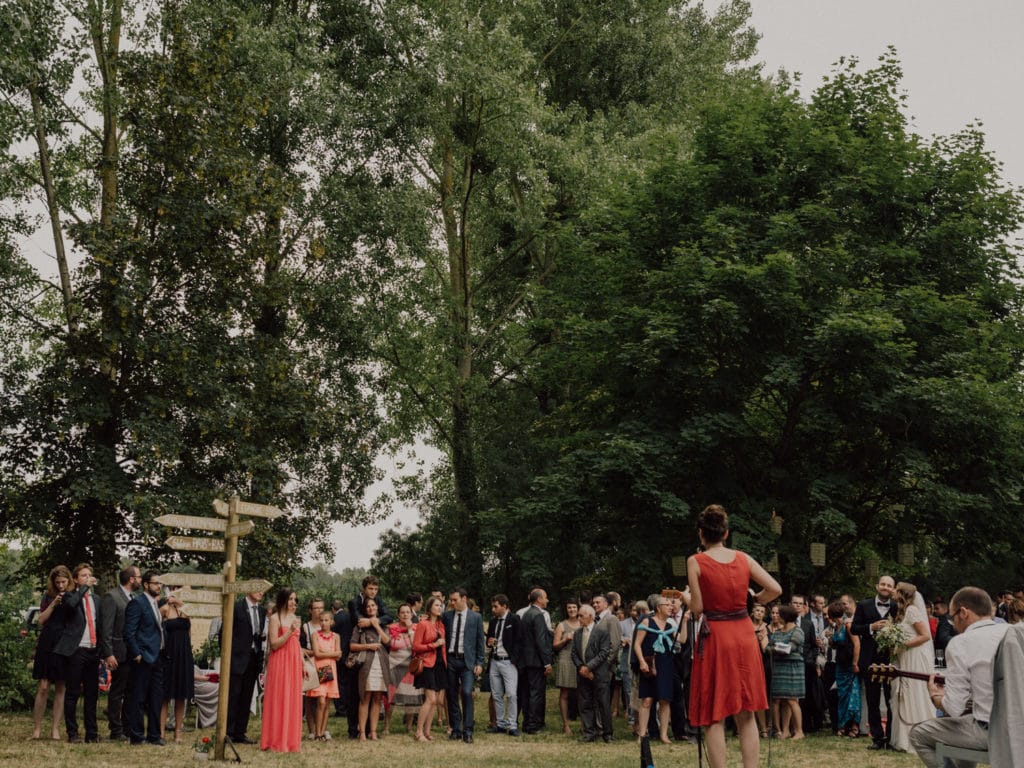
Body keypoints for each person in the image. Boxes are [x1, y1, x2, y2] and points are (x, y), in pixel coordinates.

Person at [686, 504, 781, 767]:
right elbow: (775, 588)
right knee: (746, 711)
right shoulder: (743, 558)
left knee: (715, 714)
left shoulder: (696, 561)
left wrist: (686, 598)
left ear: (701, 534)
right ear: (726, 533)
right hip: (743, 633)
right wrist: (753, 601)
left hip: (716, 635)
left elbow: (697, 608)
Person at [909, 587, 1009, 767]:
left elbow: (954, 708)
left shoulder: (961, 643)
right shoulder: (1014, 633)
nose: (953, 624)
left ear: (963, 612)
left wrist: (937, 697)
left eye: (952, 617)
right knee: (967, 722)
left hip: (992, 733)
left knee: (919, 733)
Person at [53, 563, 103, 744]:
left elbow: (100, 625)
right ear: (75, 579)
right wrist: (85, 588)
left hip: (93, 650)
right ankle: (72, 733)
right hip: (76, 651)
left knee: (92, 694)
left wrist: (102, 651)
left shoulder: (97, 599)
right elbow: (72, 606)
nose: (87, 578)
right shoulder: (69, 596)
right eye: (83, 575)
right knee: (73, 693)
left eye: (89, 575)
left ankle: (92, 733)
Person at [851, 574, 897, 750]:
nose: (886, 587)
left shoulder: (896, 607)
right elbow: (855, 628)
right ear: (877, 586)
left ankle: (892, 737)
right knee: (872, 700)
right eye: (883, 584)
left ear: (893, 589)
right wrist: (871, 627)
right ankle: (877, 738)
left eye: (889, 585)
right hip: (869, 660)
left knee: (891, 699)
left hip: (891, 661)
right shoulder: (864, 605)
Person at [889, 582, 936, 752]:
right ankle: (903, 740)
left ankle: (920, 739)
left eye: (896, 589)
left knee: (914, 693)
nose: (893, 591)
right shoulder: (901, 612)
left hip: (914, 657)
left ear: (902, 593)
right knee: (903, 695)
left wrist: (903, 645)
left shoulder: (912, 610)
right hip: (904, 656)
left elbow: (925, 636)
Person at [97, 565, 140, 742]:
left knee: (130, 691)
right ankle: (115, 729)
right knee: (117, 692)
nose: (140, 579)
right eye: (138, 576)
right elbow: (105, 628)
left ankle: (127, 727)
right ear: (131, 579)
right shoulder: (112, 597)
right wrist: (108, 653)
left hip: (133, 653)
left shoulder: (135, 598)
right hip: (118, 652)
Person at [123, 570, 165, 746]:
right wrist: (137, 654)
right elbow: (128, 632)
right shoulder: (137, 603)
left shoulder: (155, 604)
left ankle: (154, 736)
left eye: (160, 584)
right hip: (143, 658)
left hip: (158, 657)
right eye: (156, 583)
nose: (159, 586)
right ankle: (137, 736)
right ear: (146, 584)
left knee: (156, 698)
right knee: (138, 698)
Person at [31, 565, 71, 741]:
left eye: (63, 582)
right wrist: (54, 604)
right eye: (58, 583)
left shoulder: (73, 597)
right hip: (47, 642)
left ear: (69, 580)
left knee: (61, 686)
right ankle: (37, 728)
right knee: (43, 687)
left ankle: (55, 729)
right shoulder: (48, 597)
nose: (61, 585)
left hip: (64, 642)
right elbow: (41, 620)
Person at [260, 588, 303, 752]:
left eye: (295, 599)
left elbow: (297, 643)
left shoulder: (294, 618)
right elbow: (275, 644)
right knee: (279, 698)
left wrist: (303, 664)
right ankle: (275, 740)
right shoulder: (274, 618)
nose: (293, 602)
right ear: (283, 600)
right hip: (279, 661)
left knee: (292, 698)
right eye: (291, 599)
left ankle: (290, 741)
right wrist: (290, 631)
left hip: (293, 661)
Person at [442, 586, 485, 743]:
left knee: (467, 693)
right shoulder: (446, 616)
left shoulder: (476, 617)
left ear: (464, 599)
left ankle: (468, 730)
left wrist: (480, 662)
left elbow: (480, 641)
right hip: (451, 660)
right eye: (451, 600)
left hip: (468, 662)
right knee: (451, 695)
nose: (452, 603)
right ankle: (456, 729)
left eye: (455, 600)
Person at [633, 594, 676, 744]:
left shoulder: (671, 626)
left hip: (666, 664)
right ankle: (642, 734)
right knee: (647, 700)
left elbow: (681, 641)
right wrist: (641, 662)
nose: (670, 607)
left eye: (671, 605)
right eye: (667, 604)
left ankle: (663, 734)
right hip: (650, 664)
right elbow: (637, 644)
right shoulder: (647, 621)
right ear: (658, 608)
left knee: (665, 700)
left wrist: (683, 620)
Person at [226, 590, 265, 745]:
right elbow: (226, 632)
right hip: (236, 659)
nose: (261, 592)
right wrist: (228, 657)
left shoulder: (261, 611)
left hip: (253, 659)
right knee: (233, 696)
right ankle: (228, 732)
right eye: (258, 589)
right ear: (249, 589)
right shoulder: (236, 607)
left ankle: (240, 733)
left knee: (247, 697)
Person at [572, 604, 614, 742]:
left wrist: (589, 667)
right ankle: (589, 733)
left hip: (599, 674)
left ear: (590, 616)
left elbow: (604, 653)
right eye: (578, 615)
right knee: (585, 704)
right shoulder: (578, 633)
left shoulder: (601, 631)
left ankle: (607, 734)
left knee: (603, 704)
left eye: (581, 616)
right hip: (583, 675)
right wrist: (581, 668)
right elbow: (574, 653)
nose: (579, 618)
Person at [351, 597, 391, 741]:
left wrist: (377, 625)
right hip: (366, 664)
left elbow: (388, 642)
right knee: (365, 698)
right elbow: (352, 646)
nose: (371, 608)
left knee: (377, 698)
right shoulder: (359, 626)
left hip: (381, 665)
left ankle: (373, 731)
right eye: (368, 606)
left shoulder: (384, 625)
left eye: (373, 605)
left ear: (377, 608)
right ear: (365, 609)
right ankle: (362, 732)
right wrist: (368, 646)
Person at [159, 591, 194, 743]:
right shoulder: (164, 609)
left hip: (184, 654)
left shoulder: (185, 610)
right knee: (164, 696)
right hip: (168, 653)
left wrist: (180, 603)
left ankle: (178, 731)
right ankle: (160, 732)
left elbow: (190, 628)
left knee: (181, 695)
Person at [412, 595, 447, 742]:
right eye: (436, 605)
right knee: (430, 699)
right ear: (430, 608)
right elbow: (415, 646)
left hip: (439, 664)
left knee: (435, 701)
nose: (439, 608)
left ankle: (427, 731)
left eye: (441, 605)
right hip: (426, 664)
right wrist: (434, 645)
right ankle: (418, 732)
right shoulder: (423, 624)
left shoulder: (441, 625)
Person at [518, 588, 553, 734]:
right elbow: (540, 641)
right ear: (539, 599)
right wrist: (547, 662)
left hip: (525, 661)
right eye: (545, 597)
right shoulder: (538, 615)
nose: (547, 600)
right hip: (536, 661)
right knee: (535, 693)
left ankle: (527, 723)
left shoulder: (526, 614)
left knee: (526, 692)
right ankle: (533, 725)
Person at [485, 594, 520, 736]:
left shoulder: (515, 619)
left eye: (496, 606)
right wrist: (489, 642)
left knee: (511, 694)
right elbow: (489, 639)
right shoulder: (493, 622)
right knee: (497, 694)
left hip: (508, 662)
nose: (493, 609)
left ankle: (512, 725)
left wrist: (515, 660)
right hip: (494, 660)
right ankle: (500, 724)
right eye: (492, 606)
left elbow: (520, 641)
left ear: (504, 606)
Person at [769, 604, 805, 740]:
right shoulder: (777, 632)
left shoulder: (798, 631)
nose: (776, 616)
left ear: (785, 616)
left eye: (779, 614)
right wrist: (776, 647)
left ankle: (799, 731)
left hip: (793, 668)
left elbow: (790, 647)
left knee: (792, 700)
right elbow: (768, 647)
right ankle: (785, 731)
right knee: (783, 700)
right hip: (779, 668)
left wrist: (776, 647)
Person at [386, 603, 422, 735]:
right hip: (393, 664)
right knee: (390, 697)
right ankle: (386, 727)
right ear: (398, 615)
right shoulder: (392, 628)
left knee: (410, 697)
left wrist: (410, 629)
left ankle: (409, 727)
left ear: (412, 615)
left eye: (408, 612)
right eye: (402, 612)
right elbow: (389, 644)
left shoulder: (417, 628)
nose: (405, 614)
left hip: (410, 666)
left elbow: (416, 646)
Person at [827, 601, 861, 737]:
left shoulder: (848, 625)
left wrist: (855, 663)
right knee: (842, 696)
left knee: (853, 695)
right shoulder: (836, 627)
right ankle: (843, 725)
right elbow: (837, 646)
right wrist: (831, 641)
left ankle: (854, 726)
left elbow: (857, 644)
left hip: (850, 665)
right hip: (840, 665)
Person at [307, 611, 341, 740]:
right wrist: (331, 653)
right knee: (320, 701)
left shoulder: (336, 636)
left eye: (326, 620)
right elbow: (317, 654)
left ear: (332, 622)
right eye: (321, 620)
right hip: (319, 669)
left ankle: (322, 732)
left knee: (327, 702)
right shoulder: (315, 635)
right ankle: (317, 732)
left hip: (331, 669)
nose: (323, 623)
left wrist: (324, 652)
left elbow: (339, 655)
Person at [552, 598, 580, 734]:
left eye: (574, 607)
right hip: (565, 659)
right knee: (565, 693)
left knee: (583, 693)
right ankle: (566, 725)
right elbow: (555, 646)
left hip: (580, 661)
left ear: (578, 608)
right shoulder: (561, 625)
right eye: (569, 607)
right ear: (566, 609)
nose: (572, 610)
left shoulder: (583, 623)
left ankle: (584, 725)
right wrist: (565, 639)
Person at [299, 597, 325, 740]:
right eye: (316, 608)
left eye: (321, 608)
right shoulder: (305, 627)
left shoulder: (327, 624)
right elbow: (300, 648)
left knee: (324, 698)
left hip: (325, 663)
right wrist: (314, 651)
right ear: (310, 610)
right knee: (310, 698)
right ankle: (311, 729)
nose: (319, 611)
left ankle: (322, 728)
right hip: (311, 663)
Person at [749, 603, 771, 738]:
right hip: (746, 661)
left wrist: (763, 638)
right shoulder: (746, 624)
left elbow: (765, 649)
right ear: (752, 612)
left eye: (762, 611)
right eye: (757, 610)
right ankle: (747, 728)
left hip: (761, 662)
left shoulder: (766, 628)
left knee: (760, 694)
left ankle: (763, 728)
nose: (759, 613)